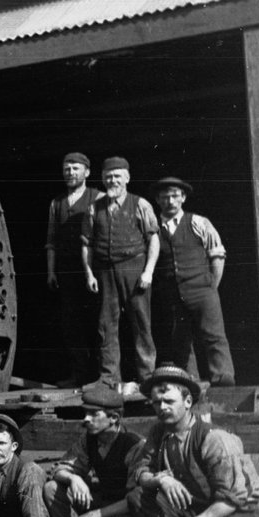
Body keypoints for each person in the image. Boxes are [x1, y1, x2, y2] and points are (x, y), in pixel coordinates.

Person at [94, 365, 259, 517]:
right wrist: (161, 479)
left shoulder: (214, 439)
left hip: (234, 513)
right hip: (193, 508)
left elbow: (232, 499)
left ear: (188, 402)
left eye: (169, 401)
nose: (162, 408)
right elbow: (140, 472)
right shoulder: (159, 432)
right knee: (138, 497)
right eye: (157, 402)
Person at [43, 381, 144, 517]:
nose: (86, 419)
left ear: (114, 418)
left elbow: (136, 498)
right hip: (103, 500)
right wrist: (74, 478)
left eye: (94, 414)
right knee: (52, 488)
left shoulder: (134, 445)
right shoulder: (89, 439)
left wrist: (91, 516)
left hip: (128, 509)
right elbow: (59, 469)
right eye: (85, 413)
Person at [82, 155, 159, 387]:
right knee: (106, 325)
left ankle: (147, 377)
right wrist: (89, 273)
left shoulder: (140, 204)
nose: (112, 181)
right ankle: (109, 378)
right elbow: (87, 244)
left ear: (127, 178)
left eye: (117, 176)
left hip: (134, 267)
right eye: (108, 177)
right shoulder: (94, 208)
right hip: (105, 270)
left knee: (141, 322)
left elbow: (153, 239)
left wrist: (148, 271)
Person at [151, 177, 235, 387]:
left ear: (183, 198)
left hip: (202, 290)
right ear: (158, 200)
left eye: (175, 196)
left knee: (213, 336)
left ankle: (223, 380)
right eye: (165, 197)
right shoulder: (153, 228)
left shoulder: (198, 222)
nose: (170, 201)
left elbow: (217, 255)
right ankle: (189, 383)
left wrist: (211, 286)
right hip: (173, 294)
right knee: (180, 341)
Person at [45, 153, 103, 386]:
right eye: (67, 169)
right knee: (72, 324)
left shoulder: (98, 197)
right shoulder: (56, 203)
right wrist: (51, 271)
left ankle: (102, 377)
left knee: (98, 322)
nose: (70, 173)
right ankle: (80, 375)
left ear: (87, 172)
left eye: (75, 168)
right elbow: (51, 241)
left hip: (93, 271)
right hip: (67, 272)